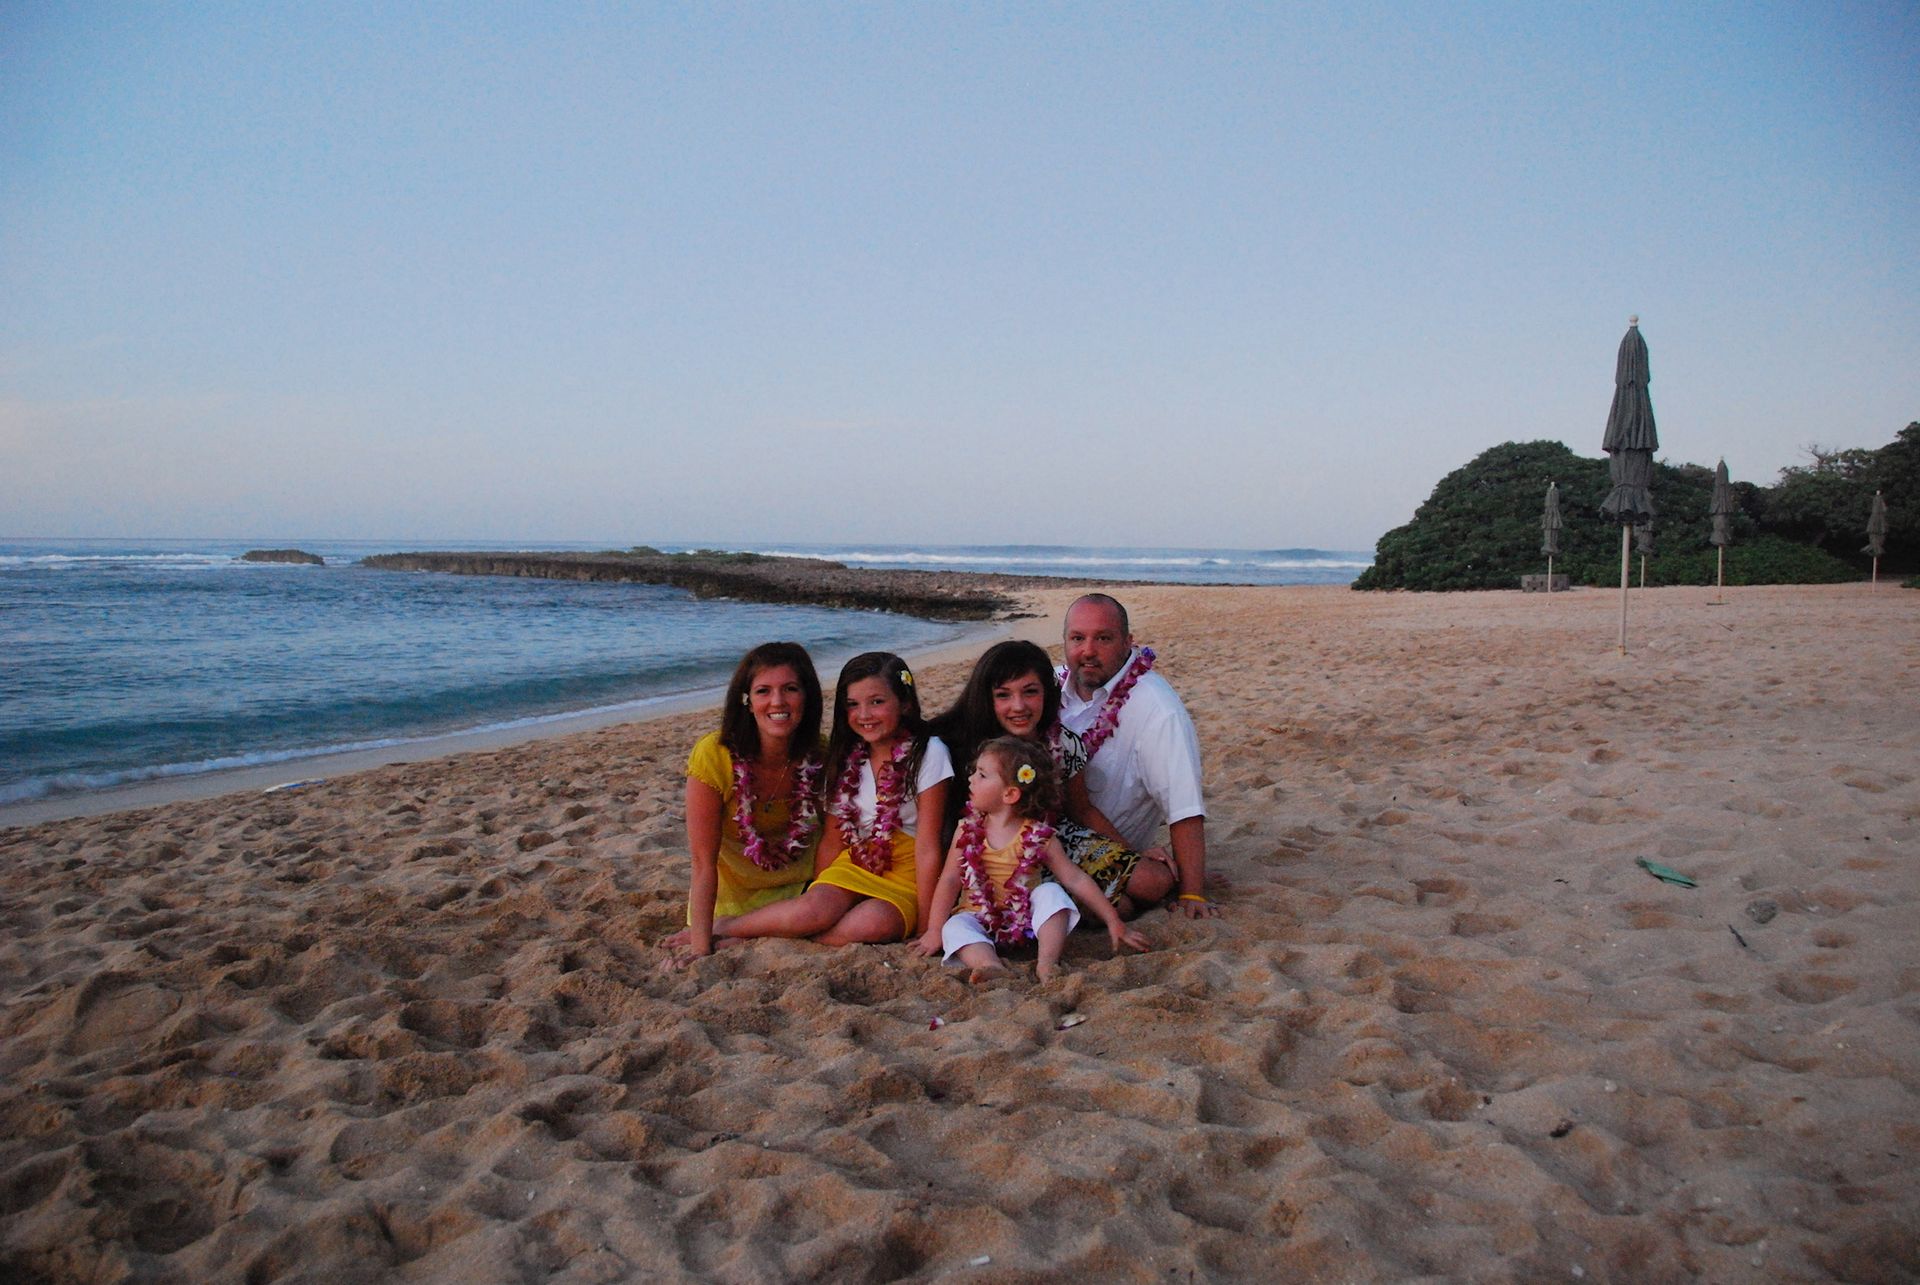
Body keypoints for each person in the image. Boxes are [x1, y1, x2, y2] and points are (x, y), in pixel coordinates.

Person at [706, 652, 951, 946]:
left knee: (871, 924)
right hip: (857, 858)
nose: (864, 715)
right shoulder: (846, 759)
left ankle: (759, 938)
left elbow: (928, 846)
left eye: (877, 702)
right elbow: (833, 840)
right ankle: (726, 927)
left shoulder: (927, 753)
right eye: (852, 704)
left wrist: (926, 927)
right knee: (812, 911)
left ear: (905, 703)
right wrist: (819, 891)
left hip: (908, 872)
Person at [930, 640, 1176, 916]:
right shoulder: (964, 748)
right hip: (995, 851)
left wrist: (1131, 852)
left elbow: (1082, 810)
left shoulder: (1064, 743)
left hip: (1057, 840)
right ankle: (1073, 903)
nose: (1018, 706)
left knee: (1155, 881)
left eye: (1030, 692)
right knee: (1123, 907)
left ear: (1047, 692)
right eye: (1003, 695)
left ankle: (1079, 897)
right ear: (987, 698)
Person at [913, 736, 1149, 981]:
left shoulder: (1038, 835)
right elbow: (950, 879)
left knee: (1052, 893)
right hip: (978, 917)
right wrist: (934, 929)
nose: (971, 779)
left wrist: (1113, 920)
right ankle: (989, 964)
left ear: (1010, 794)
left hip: (1026, 921)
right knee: (955, 927)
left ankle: (1047, 962)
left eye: (982, 775)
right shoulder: (966, 829)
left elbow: (1075, 879)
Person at [663, 642, 825, 969]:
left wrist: (824, 890)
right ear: (747, 701)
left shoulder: (820, 751)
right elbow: (702, 861)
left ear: (807, 697)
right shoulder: (714, 755)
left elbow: (831, 834)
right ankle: (732, 928)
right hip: (733, 897)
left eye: (790, 689)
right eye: (763, 691)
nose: (777, 701)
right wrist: (701, 946)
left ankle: (753, 930)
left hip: (801, 886)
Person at [1057, 594, 1218, 919]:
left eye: (1103, 638)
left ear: (1128, 642)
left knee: (1139, 893)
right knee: (1123, 905)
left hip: (1106, 852)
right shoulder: (1044, 688)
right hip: (1038, 833)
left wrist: (1192, 892)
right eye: (1077, 638)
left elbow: (1183, 805)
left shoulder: (1158, 710)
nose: (1088, 650)